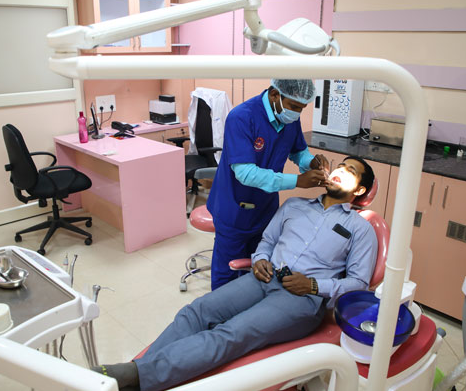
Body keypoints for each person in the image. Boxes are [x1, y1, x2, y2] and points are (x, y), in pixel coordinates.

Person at [94, 156, 378, 391]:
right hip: (264, 277)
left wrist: (314, 285)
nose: (341, 170)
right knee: (196, 311)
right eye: (341, 166)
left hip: (300, 299)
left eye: (351, 171)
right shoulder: (295, 206)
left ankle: (134, 376)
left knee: (232, 333)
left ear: (360, 190)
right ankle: (141, 376)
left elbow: (358, 284)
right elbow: (267, 241)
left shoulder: (360, 229)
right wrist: (260, 259)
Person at [206, 79, 330, 290]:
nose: (297, 113)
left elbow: (297, 152)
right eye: (294, 106)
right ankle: (218, 309)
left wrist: (310, 162)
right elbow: (246, 173)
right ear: (274, 94)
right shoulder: (242, 117)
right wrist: (298, 181)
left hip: (266, 208)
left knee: (260, 266)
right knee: (227, 273)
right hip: (234, 208)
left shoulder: (288, 117)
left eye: (302, 108)